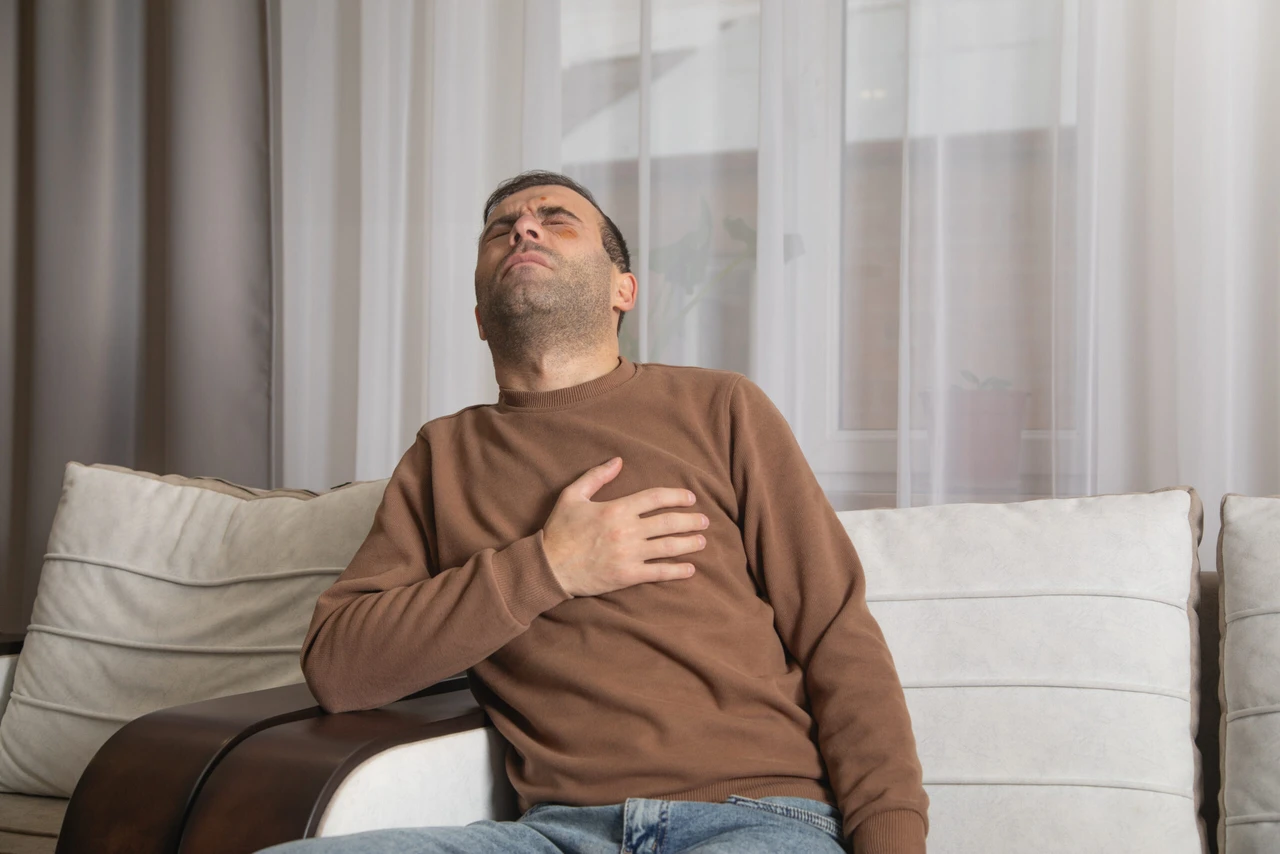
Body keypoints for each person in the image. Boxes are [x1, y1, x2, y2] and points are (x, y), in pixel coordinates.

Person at [259, 171, 928, 854]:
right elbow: (340, 668)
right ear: (481, 317)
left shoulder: (722, 408)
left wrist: (892, 840)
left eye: (557, 219)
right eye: (501, 229)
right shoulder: (443, 456)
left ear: (622, 290)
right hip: (553, 833)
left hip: (754, 819)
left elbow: (837, 636)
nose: (523, 228)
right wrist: (548, 566)